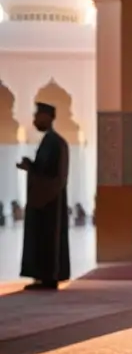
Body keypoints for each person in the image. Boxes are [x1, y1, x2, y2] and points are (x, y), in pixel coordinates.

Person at [16, 102, 70, 291]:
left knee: (49, 238)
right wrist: (31, 167)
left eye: (37, 116)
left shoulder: (55, 142)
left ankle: (49, 276)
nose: (35, 120)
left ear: (47, 117)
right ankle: (43, 276)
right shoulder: (50, 141)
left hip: (49, 199)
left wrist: (31, 169)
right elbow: (44, 169)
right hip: (44, 197)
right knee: (41, 238)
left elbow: (54, 175)